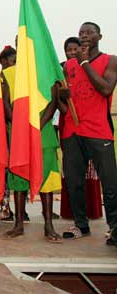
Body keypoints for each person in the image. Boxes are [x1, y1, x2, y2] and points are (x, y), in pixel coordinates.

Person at [59, 22, 117, 246]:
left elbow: (105, 89)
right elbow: (63, 99)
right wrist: (63, 95)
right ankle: (80, 224)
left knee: (110, 183)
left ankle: (114, 228)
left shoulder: (110, 60)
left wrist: (84, 62)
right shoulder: (68, 65)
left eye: (89, 32)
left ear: (99, 36)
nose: (84, 36)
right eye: (81, 32)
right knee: (74, 182)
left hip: (98, 130)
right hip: (73, 131)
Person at [59, 36, 103, 221]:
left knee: (92, 170)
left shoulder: (90, 67)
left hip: (93, 128)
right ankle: (75, 217)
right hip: (69, 125)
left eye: (75, 49)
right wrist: (66, 105)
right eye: (68, 50)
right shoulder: (63, 70)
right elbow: (58, 101)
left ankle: (94, 210)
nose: (72, 53)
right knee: (72, 173)